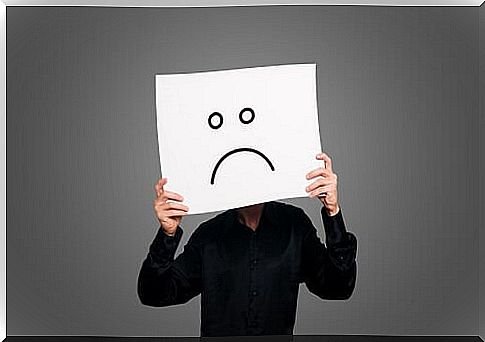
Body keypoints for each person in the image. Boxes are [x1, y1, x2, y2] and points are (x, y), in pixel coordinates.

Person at [137, 152, 357, 337]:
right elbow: (154, 294)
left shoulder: (294, 225)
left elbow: (337, 287)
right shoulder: (209, 235)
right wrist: (167, 233)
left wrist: (332, 212)